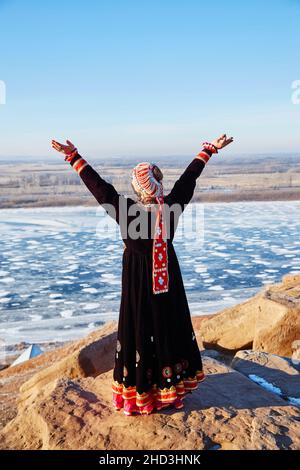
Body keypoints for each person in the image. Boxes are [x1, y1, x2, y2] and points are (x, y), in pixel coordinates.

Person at [51, 134, 233, 416]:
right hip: (166, 280)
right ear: (158, 184)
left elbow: (99, 188)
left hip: (138, 283)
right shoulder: (171, 207)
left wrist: (74, 156)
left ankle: (141, 396)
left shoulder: (127, 212)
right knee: (166, 328)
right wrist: (208, 150)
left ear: (137, 187)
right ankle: (170, 392)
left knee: (140, 331)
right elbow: (188, 180)